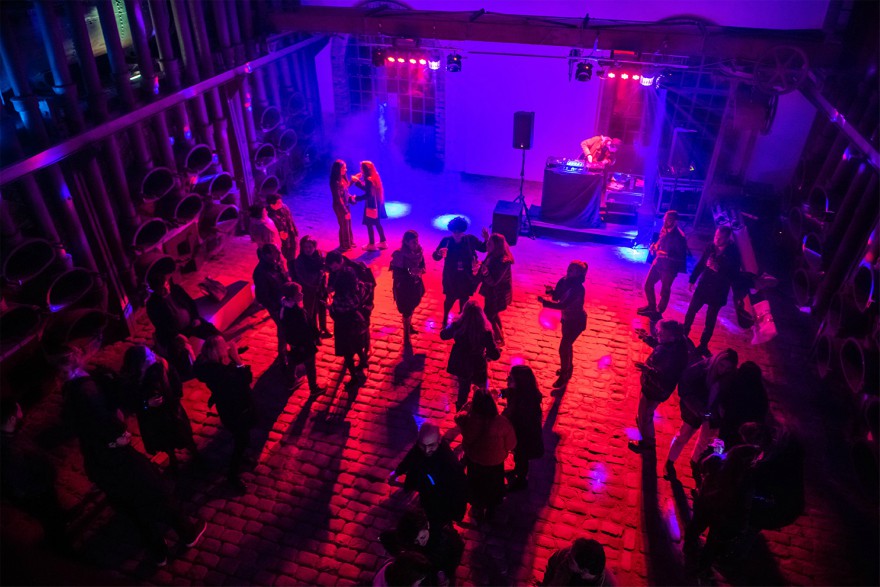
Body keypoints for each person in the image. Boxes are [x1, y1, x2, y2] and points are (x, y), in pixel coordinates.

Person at [59, 348, 207, 565]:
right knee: (157, 491)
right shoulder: (89, 391)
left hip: (98, 462)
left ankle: (158, 552)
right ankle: (187, 533)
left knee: (132, 507)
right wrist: (118, 435)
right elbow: (109, 417)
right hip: (116, 458)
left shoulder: (70, 394)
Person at [1, 400, 69, 551]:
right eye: (19, 411)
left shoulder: (10, 436)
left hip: (41, 488)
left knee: (54, 513)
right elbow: (19, 483)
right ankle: (61, 547)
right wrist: (43, 485)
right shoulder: (9, 451)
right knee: (51, 521)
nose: (22, 414)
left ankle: (60, 518)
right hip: (38, 495)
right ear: (11, 419)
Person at [193, 336, 256, 493]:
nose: (227, 345)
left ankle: (241, 458)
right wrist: (237, 359)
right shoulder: (222, 372)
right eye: (223, 345)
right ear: (217, 351)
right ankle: (232, 476)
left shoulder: (210, 366)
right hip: (236, 410)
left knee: (241, 435)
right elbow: (246, 378)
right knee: (242, 440)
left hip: (228, 408)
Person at [664, 348, 738, 481]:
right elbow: (685, 390)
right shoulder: (701, 369)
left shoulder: (730, 377)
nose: (723, 370)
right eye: (721, 365)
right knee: (683, 436)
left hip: (712, 414)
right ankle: (669, 463)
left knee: (704, 441)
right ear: (717, 361)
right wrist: (699, 409)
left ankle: (694, 463)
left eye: (728, 368)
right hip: (695, 411)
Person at [121, 345, 199, 471]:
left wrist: (169, 400)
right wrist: (147, 404)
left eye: (151, 352)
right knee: (164, 440)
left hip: (171, 412)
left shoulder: (163, 367)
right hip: (152, 419)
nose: (153, 355)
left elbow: (177, 388)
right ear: (140, 362)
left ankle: (196, 456)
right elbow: (130, 403)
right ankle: (173, 460)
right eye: (149, 355)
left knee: (183, 435)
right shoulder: (131, 379)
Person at [389, 423, 468, 529]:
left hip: (440, 501)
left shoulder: (449, 464)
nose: (426, 450)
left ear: (439, 440)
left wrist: (456, 515)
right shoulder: (420, 447)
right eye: (423, 445)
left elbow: (458, 490)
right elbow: (411, 457)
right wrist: (397, 472)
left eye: (431, 446)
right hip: (427, 490)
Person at [628, 320, 690, 454]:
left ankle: (647, 443)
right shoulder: (675, 343)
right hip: (653, 386)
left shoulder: (673, 356)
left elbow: (665, 377)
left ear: (672, 336)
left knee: (645, 416)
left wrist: (648, 370)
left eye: (662, 333)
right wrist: (647, 339)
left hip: (655, 389)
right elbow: (661, 346)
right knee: (644, 413)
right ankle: (645, 432)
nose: (658, 334)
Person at [454, 388, 516, 522]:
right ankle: (491, 510)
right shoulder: (502, 422)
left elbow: (458, 417)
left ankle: (478, 508)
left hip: (474, 460)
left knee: (476, 485)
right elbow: (511, 444)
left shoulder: (468, 421)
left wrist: (468, 405)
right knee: (494, 487)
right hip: (495, 463)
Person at [145, 270, 219, 374]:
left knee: (212, 332)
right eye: (162, 288)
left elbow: (191, 303)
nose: (166, 289)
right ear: (155, 290)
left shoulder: (176, 289)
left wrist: (196, 318)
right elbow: (160, 325)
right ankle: (191, 371)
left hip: (191, 324)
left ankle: (219, 355)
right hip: (173, 333)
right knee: (180, 353)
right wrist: (176, 335)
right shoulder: (152, 304)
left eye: (166, 285)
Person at [684, 226, 742, 357]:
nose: (717, 240)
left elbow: (734, 275)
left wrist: (718, 269)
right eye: (716, 236)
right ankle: (684, 335)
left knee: (710, 319)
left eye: (720, 238)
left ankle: (703, 345)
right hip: (704, 286)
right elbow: (701, 263)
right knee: (691, 311)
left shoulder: (733, 253)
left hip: (718, 290)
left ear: (727, 238)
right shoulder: (711, 246)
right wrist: (692, 279)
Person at [379, 507, 465, 586]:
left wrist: (448, 574)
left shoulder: (447, 537)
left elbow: (457, 553)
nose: (420, 543)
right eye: (416, 541)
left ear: (428, 525)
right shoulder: (407, 538)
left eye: (422, 537)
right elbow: (387, 538)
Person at [440, 300, 501, 409]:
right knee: (482, 390)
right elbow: (495, 355)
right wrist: (492, 352)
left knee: (463, 390)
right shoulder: (485, 331)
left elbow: (443, 335)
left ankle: (461, 412)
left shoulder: (457, 325)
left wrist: (452, 325)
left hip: (461, 363)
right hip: (478, 364)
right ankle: (481, 411)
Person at [538, 261, 588, 388]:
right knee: (567, 345)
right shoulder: (563, 281)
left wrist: (545, 303)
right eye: (569, 267)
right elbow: (557, 297)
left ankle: (564, 375)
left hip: (576, 322)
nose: (569, 270)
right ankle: (568, 367)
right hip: (566, 320)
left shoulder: (578, 289)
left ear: (579, 273)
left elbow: (563, 305)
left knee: (563, 347)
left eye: (573, 269)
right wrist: (550, 292)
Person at [432, 216, 488, 326]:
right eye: (455, 232)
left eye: (459, 232)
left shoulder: (470, 239)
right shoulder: (447, 241)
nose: (457, 235)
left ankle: (462, 321)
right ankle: (445, 319)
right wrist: (439, 253)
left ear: (463, 230)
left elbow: (483, 248)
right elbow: (435, 257)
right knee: (449, 298)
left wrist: (487, 239)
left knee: (464, 299)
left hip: (465, 276)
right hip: (451, 276)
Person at [638, 210, 688, 321]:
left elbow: (680, 256)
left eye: (668, 220)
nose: (665, 222)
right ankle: (651, 306)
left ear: (675, 221)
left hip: (669, 268)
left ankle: (658, 312)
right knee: (648, 284)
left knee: (665, 290)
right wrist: (654, 246)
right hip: (658, 263)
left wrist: (664, 253)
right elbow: (660, 242)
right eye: (665, 219)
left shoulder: (679, 236)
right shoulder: (664, 230)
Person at [501, 365, 544, 491]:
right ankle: (517, 471)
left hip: (524, 436)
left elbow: (513, 416)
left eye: (511, 378)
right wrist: (501, 393)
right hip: (519, 433)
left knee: (521, 457)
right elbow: (510, 392)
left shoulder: (525, 403)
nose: (507, 380)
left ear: (520, 382)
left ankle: (521, 480)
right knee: (518, 457)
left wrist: (502, 418)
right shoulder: (521, 392)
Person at [326, 250, 377, 356]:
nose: (332, 269)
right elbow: (332, 282)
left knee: (363, 326)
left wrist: (367, 304)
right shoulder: (334, 269)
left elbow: (369, 285)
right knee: (350, 332)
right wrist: (330, 288)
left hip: (360, 301)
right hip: (347, 304)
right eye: (331, 268)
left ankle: (366, 348)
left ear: (340, 262)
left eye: (334, 267)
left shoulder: (354, 268)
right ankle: (351, 352)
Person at [328, 268, 370, 388]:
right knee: (358, 345)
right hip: (356, 323)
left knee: (347, 353)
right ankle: (363, 361)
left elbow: (336, 313)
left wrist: (329, 308)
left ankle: (354, 377)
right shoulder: (357, 290)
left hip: (343, 327)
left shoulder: (339, 297)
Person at [279, 282, 323, 395]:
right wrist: (314, 337)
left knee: (293, 360)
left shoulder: (285, 307)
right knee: (310, 365)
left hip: (294, 342)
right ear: (292, 297)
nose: (302, 294)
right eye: (299, 293)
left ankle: (291, 381)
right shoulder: (296, 312)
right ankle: (314, 388)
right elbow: (304, 328)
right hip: (303, 343)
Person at [716, 361, 770, 448]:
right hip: (748, 433)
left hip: (728, 426)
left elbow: (724, 403)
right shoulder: (760, 392)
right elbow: (762, 413)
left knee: (721, 448)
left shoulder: (734, 385)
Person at [390, 230, 426, 352]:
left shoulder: (419, 252)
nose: (416, 244)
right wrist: (410, 272)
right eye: (413, 242)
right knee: (406, 310)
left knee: (412, 306)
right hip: (404, 288)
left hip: (415, 284)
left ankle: (409, 325)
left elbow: (423, 266)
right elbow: (397, 274)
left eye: (417, 241)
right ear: (406, 242)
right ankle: (406, 335)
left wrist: (421, 270)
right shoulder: (399, 255)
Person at [253, 243, 291, 357]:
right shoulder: (261, 272)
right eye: (275, 252)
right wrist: (274, 307)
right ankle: (282, 355)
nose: (278, 254)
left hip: (284, 301)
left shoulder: (275, 264)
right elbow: (263, 294)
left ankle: (286, 350)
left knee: (286, 326)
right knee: (282, 327)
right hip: (275, 305)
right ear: (267, 255)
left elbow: (283, 279)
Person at [478, 233, 514, 347]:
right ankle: (499, 336)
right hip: (491, 293)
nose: (487, 246)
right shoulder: (492, 255)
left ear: (496, 246)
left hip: (498, 295)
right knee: (493, 315)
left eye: (490, 244)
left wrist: (485, 272)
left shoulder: (503, 261)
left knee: (489, 316)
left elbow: (494, 281)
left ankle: (499, 339)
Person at [294, 235, 332, 339]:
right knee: (312, 312)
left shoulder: (319, 255)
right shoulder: (300, 261)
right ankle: (315, 333)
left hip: (321, 288)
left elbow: (326, 267)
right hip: (309, 290)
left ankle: (323, 327)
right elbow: (304, 277)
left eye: (310, 247)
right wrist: (319, 274)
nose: (308, 250)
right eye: (305, 247)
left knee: (322, 308)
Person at [542, 538, 617, 586]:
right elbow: (547, 579)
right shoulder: (562, 556)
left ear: (584, 570)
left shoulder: (608, 584)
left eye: (570, 559)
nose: (567, 556)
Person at [351, 160, 388, 251]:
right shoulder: (375, 176)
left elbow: (368, 194)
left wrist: (356, 198)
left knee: (369, 224)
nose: (360, 169)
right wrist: (358, 182)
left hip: (371, 205)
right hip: (377, 203)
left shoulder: (368, 179)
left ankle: (371, 244)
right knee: (377, 223)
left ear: (365, 169)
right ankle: (383, 242)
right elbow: (368, 190)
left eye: (361, 168)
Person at [265, 194, 299, 274]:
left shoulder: (284, 207)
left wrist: (294, 230)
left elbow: (290, 220)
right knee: (284, 255)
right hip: (280, 240)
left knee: (292, 254)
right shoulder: (268, 215)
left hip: (290, 235)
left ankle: (292, 270)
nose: (281, 204)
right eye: (279, 203)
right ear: (272, 205)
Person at [330, 159, 356, 251]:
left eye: (345, 167)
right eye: (344, 168)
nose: (346, 169)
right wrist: (345, 211)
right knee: (343, 225)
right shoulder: (335, 182)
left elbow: (345, 188)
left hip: (345, 204)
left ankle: (349, 242)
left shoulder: (343, 178)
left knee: (348, 224)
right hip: (340, 206)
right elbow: (338, 198)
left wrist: (353, 181)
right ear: (338, 169)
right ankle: (344, 245)